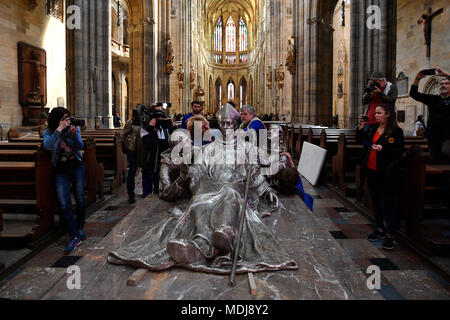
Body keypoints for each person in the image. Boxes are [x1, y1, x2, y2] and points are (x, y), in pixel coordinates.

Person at [108, 103, 298, 274]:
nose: (226, 127)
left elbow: (256, 173)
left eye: (230, 123)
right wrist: (190, 176)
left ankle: (217, 238)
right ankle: (202, 245)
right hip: (207, 195)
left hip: (235, 195)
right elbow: (197, 175)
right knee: (197, 203)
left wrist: (265, 190)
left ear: (236, 123)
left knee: (230, 195)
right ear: (219, 124)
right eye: (223, 123)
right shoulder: (206, 150)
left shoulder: (247, 148)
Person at [356, 103, 405, 250]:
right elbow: (361, 140)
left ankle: (391, 234)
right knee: (375, 200)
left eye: (379, 113)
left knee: (388, 203)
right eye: (376, 113)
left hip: (386, 172)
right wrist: (360, 128)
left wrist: (383, 149)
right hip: (371, 169)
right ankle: (380, 228)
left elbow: (399, 151)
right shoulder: (372, 128)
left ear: (388, 114)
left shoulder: (396, 131)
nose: (376, 115)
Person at [43, 107, 86, 254]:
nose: (68, 121)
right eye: (64, 119)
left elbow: (80, 146)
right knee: (64, 203)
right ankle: (74, 235)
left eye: (68, 118)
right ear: (57, 120)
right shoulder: (49, 132)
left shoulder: (73, 129)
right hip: (60, 171)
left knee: (80, 198)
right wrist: (59, 130)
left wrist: (74, 135)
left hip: (76, 167)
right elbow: (47, 146)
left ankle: (79, 227)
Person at [410, 67, 450, 163]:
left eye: (447, 84)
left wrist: (446, 75)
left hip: (448, 137)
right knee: (433, 161)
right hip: (433, 137)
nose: (443, 85)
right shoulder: (433, 99)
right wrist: (417, 79)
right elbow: (413, 94)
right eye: (441, 84)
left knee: (446, 158)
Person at [140, 105, 177, 196]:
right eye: (157, 115)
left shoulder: (164, 126)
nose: (160, 118)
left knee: (160, 184)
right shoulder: (145, 127)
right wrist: (151, 129)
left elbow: (173, 140)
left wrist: (173, 127)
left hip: (162, 159)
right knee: (148, 186)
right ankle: (147, 200)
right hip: (149, 160)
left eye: (161, 115)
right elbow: (148, 143)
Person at [122, 106, 143, 204]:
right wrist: (130, 146)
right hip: (134, 150)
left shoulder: (145, 120)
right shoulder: (130, 122)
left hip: (144, 149)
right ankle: (131, 194)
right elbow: (124, 134)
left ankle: (149, 192)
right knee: (132, 173)